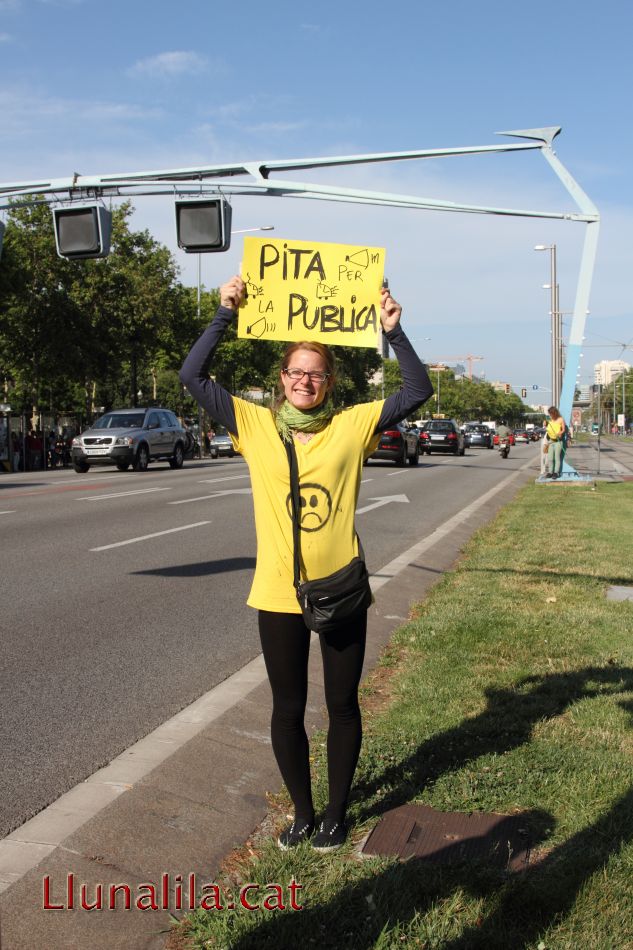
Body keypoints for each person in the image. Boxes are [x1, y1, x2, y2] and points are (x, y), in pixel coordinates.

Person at [180, 275, 433, 852]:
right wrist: (224, 313)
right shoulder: (254, 425)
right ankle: (302, 812)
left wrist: (395, 332)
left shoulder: (353, 425)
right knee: (287, 708)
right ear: (281, 379)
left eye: (315, 373)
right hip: (276, 592)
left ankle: (337, 814)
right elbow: (192, 376)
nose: (304, 381)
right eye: (295, 371)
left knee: (342, 704)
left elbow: (417, 390)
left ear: (329, 382)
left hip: (340, 587)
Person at [545, 406, 566, 479]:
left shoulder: (560, 419)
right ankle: (550, 472)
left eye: (551, 413)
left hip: (558, 442)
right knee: (550, 458)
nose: (550, 415)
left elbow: (563, 429)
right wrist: (545, 424)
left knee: (557, 458)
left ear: (554, 413)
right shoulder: (550, 420)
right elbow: (548, 429)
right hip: (551, 441)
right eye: (549, 414)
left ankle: (556, 472)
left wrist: (560, 433)